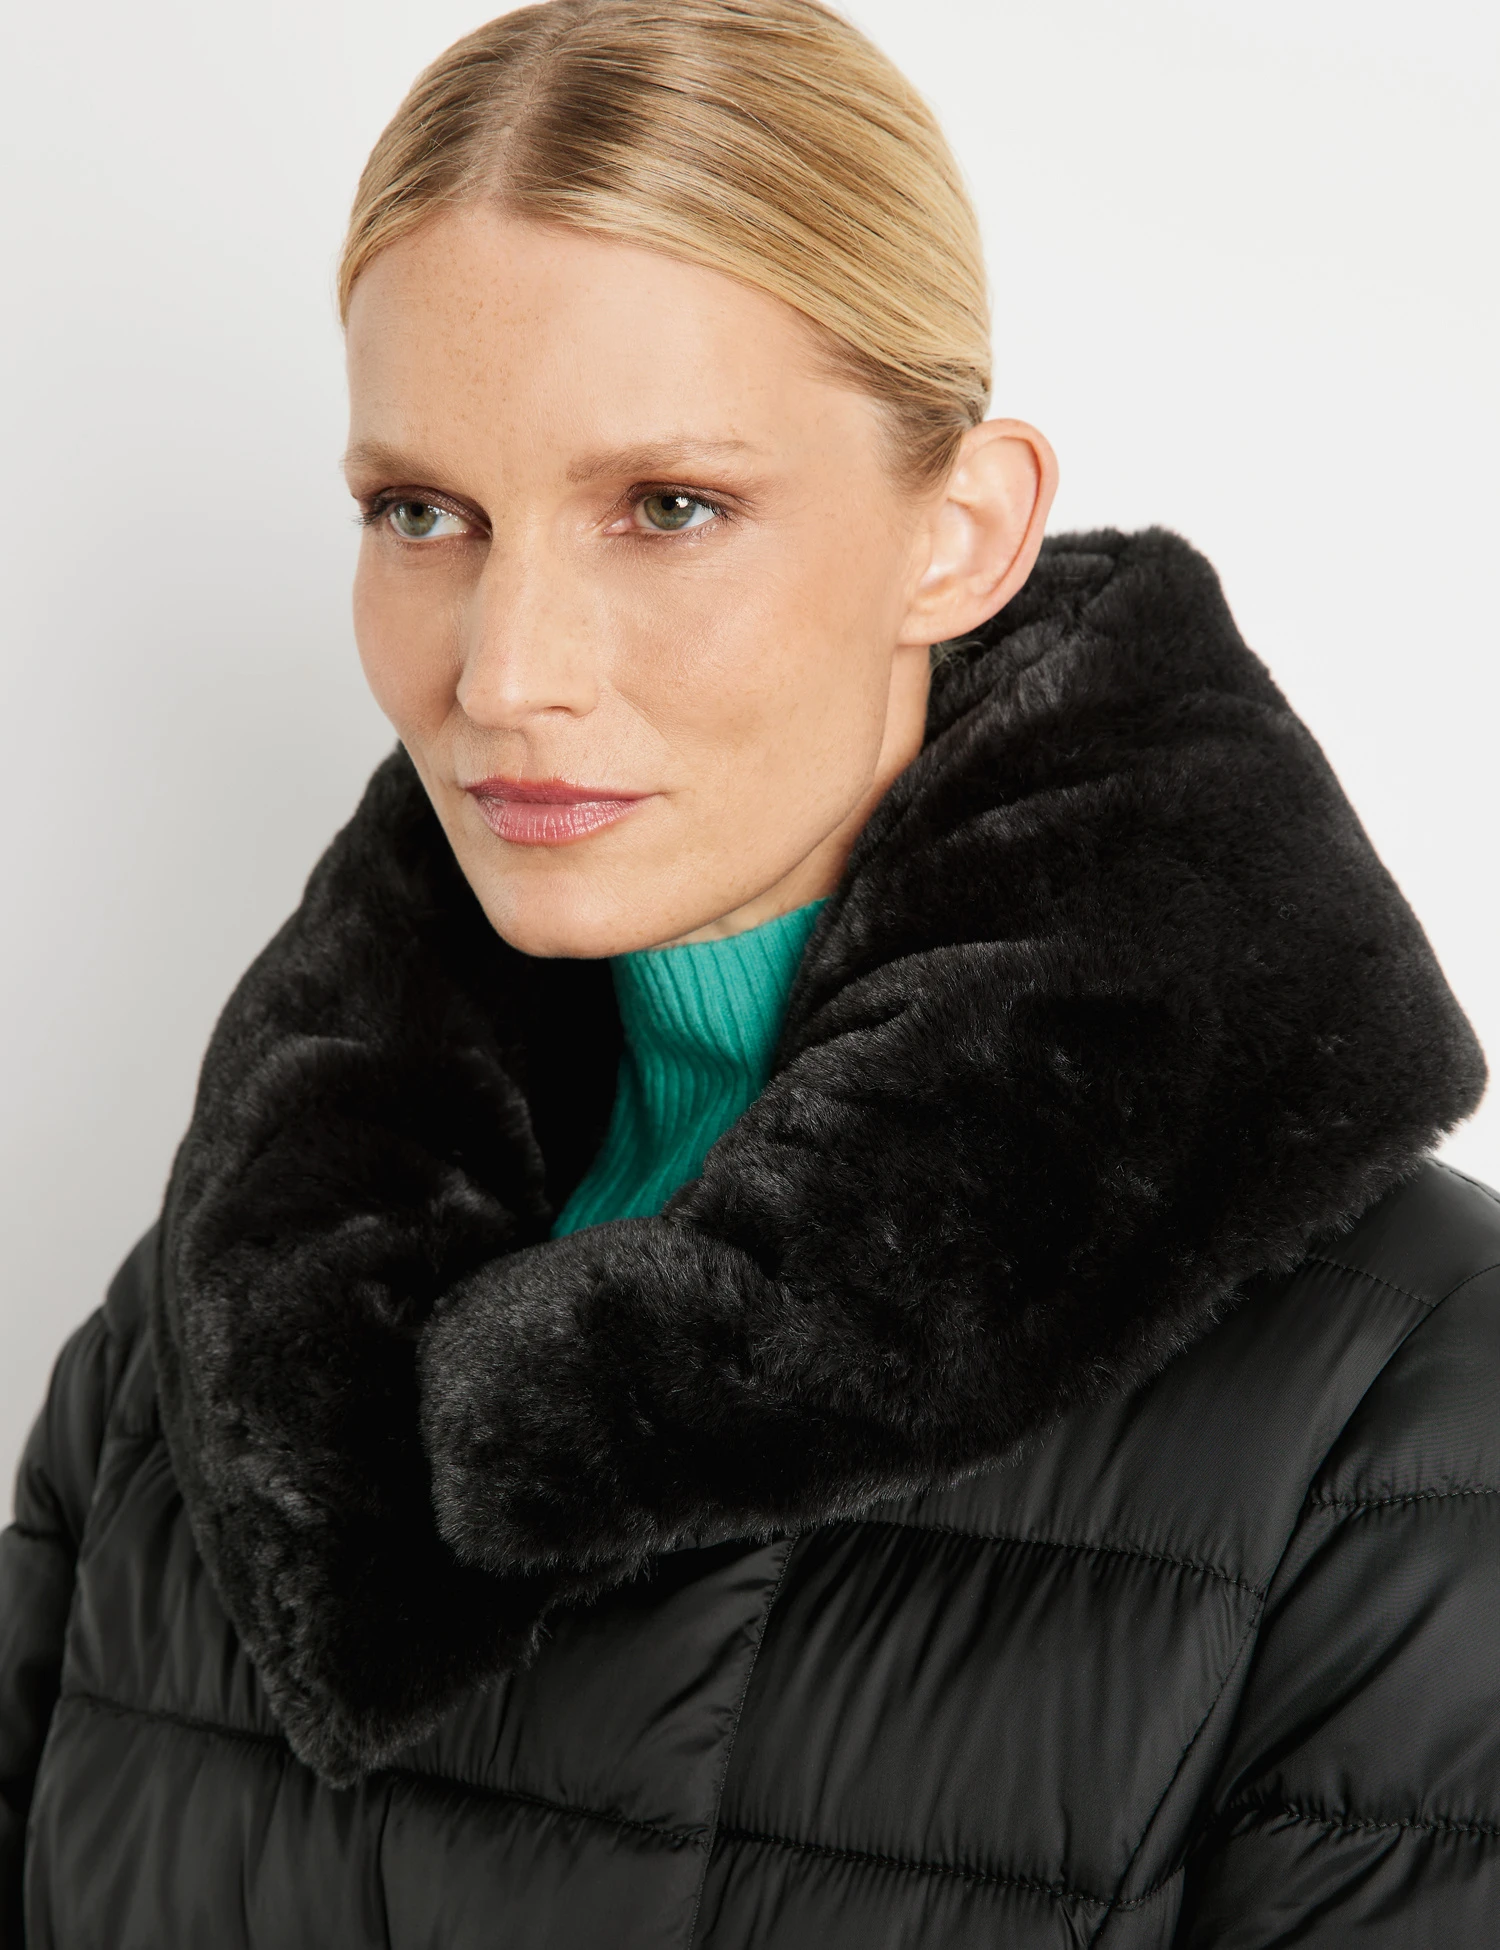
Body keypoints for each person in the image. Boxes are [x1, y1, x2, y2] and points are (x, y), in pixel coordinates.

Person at [3, 0, 1497, 1942]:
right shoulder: (213, 1314)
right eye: (421, 513)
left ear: (960, 532)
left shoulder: (1405, 1399)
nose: (505, 670)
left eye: (670, 507)